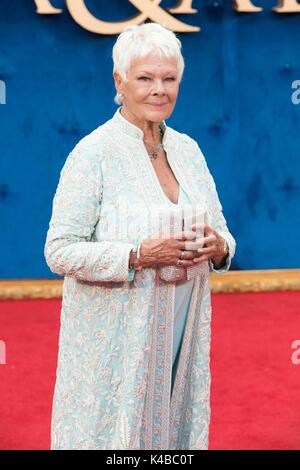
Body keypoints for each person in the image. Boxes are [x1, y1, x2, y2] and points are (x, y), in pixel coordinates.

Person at [44, 22, 236, 450]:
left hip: (183, 331)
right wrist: (137, 255)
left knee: (172, 440)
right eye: (145, 78)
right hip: (118, 344)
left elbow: (223, 232)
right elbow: (58, 251)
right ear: (120, 81)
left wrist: (220, 247)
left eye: (169, 79)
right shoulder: (93, 153)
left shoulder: (188, 149)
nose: (159, 90)